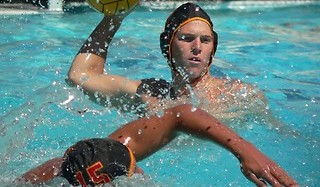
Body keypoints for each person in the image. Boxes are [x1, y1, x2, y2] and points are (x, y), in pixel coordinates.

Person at [67, 2, 270, 122]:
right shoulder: (149, 95)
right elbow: (79, 76)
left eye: (205, 40)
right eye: (187, 38)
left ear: (213, 49)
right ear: (168, 47)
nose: (197, 47)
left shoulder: (239, 95)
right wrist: (114, 19)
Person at [20, 104, 298, 186]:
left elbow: (179, 114)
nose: (139, 171)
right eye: (134, 170)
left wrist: (243, 148)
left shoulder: (58, 170)